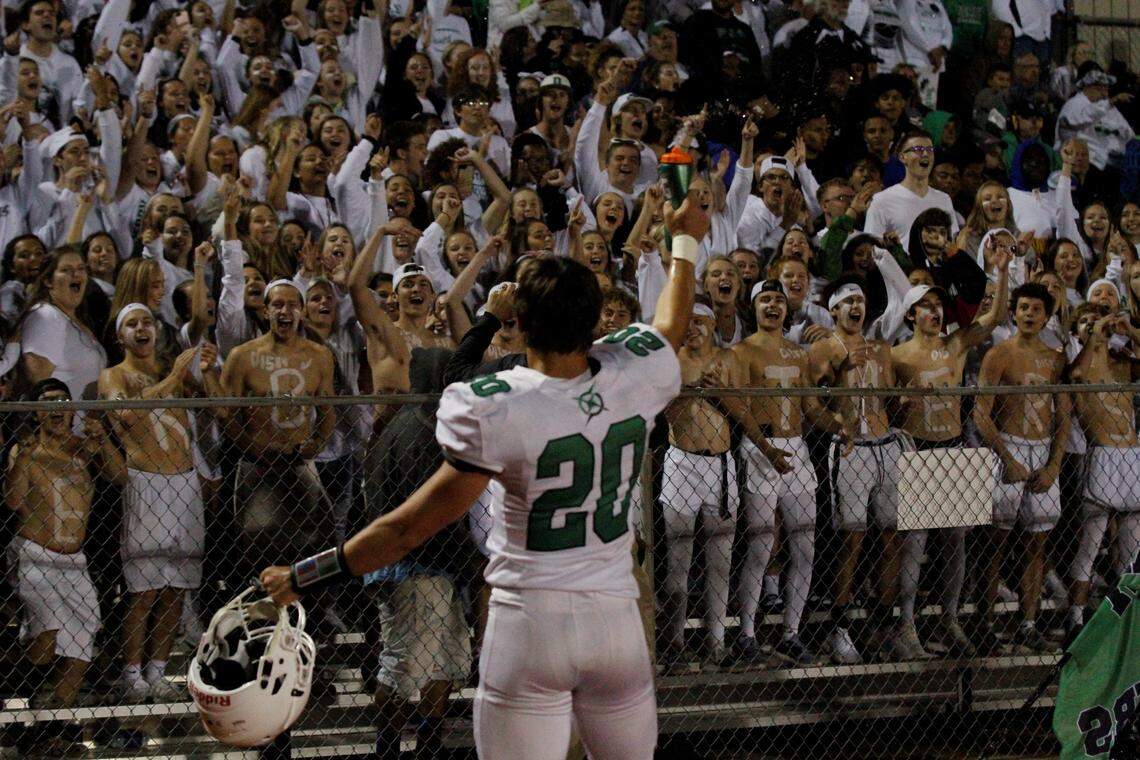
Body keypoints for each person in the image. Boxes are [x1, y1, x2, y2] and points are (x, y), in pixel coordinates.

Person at [259, 193, 710, 760]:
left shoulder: (495, 402)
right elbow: (671, 322)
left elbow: (404, 530)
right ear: (595, 321)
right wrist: (685, 241)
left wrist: (304, 575)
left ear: (518, 324)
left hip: (529, 625)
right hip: (614, 624)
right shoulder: (633, 373)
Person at [98, 301, 221, 702]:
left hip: (184, 483)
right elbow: (129, 417)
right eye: (131, 324)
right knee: (144, 589)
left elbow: (216, 405)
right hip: (146, 484)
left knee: (176, 587)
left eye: (146, 321)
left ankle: (157, 672)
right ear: (121, 336)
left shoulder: (178, 376)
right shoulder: (112, 376)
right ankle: (132, 673)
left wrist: (210, 368)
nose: (140, 329)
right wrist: (173, 375)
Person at [889, 248, 1009, 656]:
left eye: (938, 305)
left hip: (955, 445)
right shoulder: (897, 355)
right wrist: (904, 399)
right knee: (916, 544)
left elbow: (994, 319)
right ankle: (906, 625)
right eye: (925, 307)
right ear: (910, 315)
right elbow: (884, 409)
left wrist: (1003, 272)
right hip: (916, 448)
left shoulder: (957, 342)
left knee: (956, 541)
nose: (934, 312)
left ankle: (949, 620)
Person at [729, 279, 846, 665]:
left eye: (779, 300)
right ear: (754, 306)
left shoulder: (798, 355)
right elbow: (742, 409)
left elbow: (810, 407)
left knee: (805, 545)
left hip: (794, 450)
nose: (773, 305)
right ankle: (747, 633)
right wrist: (765, 449)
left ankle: (791, 632)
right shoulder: (742, 351)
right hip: (762, 450)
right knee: (761, 544)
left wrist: (836, 425)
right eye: (765, 299)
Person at [5, 378, 125, 753]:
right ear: (36, 411)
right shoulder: (26, 449)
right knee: (48, 634)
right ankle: (17, 697)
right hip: (34, 553)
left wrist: (102, 440)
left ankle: (52, 720)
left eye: (63, 401)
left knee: (79, 646)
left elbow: (120, 475)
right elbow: (12, 501)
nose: (57, 409)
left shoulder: (82, 449)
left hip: (75, 561)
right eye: (48, 402)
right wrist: (23, 458)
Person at [810, 279, 909, 663]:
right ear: (833, 309)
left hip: (886, 447)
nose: (856, 306)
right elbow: (813, 404)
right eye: (848, 300)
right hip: (850, 449)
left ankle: (882, 626)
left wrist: (901, 403)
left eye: (861, 300)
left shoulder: (882, 349)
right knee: (851, 540)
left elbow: (888, 399)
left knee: (891, 538)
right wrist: (839, 382)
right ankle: (840, 626)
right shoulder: (821, 349)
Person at [973, 282, 1071, 653]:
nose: (1029, 314)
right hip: (1008, 448)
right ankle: (984, 624)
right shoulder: (998, 354)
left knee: (1037, 545)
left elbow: (1064, 416)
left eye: (1036, 309)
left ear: (1046, 316)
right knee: (994, 543)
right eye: (1024, 307)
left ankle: (1028, 623)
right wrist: (1006, 457)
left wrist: (1054, 465)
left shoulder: (1056, 358)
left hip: (1043, 450)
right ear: (1014, 312)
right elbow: (981, 414)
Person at [1066, 306, 1140, 636]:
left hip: (1132, 456)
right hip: (1103, 456)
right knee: (1090, 545)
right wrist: (1093, 337)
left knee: (1132, 551)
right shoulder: (1081, 365)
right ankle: (1076, 619)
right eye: (1086, 321)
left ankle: (1128, 622)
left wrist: (1131, 329)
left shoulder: (1121, 362)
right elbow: (1075, 375)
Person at [863, 132, 959, 246]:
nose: (925, 154)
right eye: (918, 149)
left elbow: (951, 244)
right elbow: (872, 248)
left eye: (929, 150)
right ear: (902, 157)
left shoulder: (944, 199)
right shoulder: (881, 200)